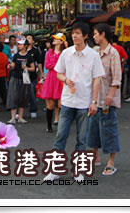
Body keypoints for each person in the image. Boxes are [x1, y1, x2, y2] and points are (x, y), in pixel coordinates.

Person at [43, 21, 105, 182]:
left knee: (82, 139)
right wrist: (66, 80)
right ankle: (55, 169)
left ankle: (78, 170)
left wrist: (94, 102)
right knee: (60, 135)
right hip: (67, 101)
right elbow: (58, 73)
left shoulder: (93, 56)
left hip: (85, 103)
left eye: (78, 33)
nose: (75, 36)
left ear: (85, 36)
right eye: (73, 33)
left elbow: (97, 80)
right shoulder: (66, 53)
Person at [88, 23, 121, 176]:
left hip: (107, 98)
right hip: (94, 98)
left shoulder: (113, 53)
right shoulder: (94, 52)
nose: (93, 37)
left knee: (109, 129)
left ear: (102, 34)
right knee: (93, 129)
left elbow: (116, 78)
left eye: (95, 34)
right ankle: (95, 157)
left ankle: (111, 162)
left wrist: (110, 95)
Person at [40, 33, 65, 132]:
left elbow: (64, 65)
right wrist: (56, 64)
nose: (54, 40)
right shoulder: (49, 52)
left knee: (61, 105)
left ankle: (62, 126)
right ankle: (49, 126)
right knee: (50, 105)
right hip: (51, 78)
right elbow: (47, 65)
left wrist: (54, 64)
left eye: (56, 39)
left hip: (61, 78)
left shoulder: (64, 52)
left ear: (61, 41)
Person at [6, 39, 35, 124]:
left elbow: (33, 68)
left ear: (25, 45)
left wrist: (26, 68)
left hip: (25, 78)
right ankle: (13, 117)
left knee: (23, 96)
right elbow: (13, 66)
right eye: (18, 44)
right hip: (15, 77)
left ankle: (21, 117)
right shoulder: (15, 55)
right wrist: (10, 66)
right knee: (13, 96)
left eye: (21, 44)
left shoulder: (29, 56)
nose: (19, 46)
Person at [26, 33, 43, 119]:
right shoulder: (21, 49)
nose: (27, 39)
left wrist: (41, 73)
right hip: (21, 76)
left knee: (32, 91)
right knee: (20, 93)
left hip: (32, 75)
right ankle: (18, 111)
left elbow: (39, 63)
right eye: (26, 38)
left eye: (29, 38)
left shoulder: (35, 51)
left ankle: (33, 109)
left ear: (33, 41)